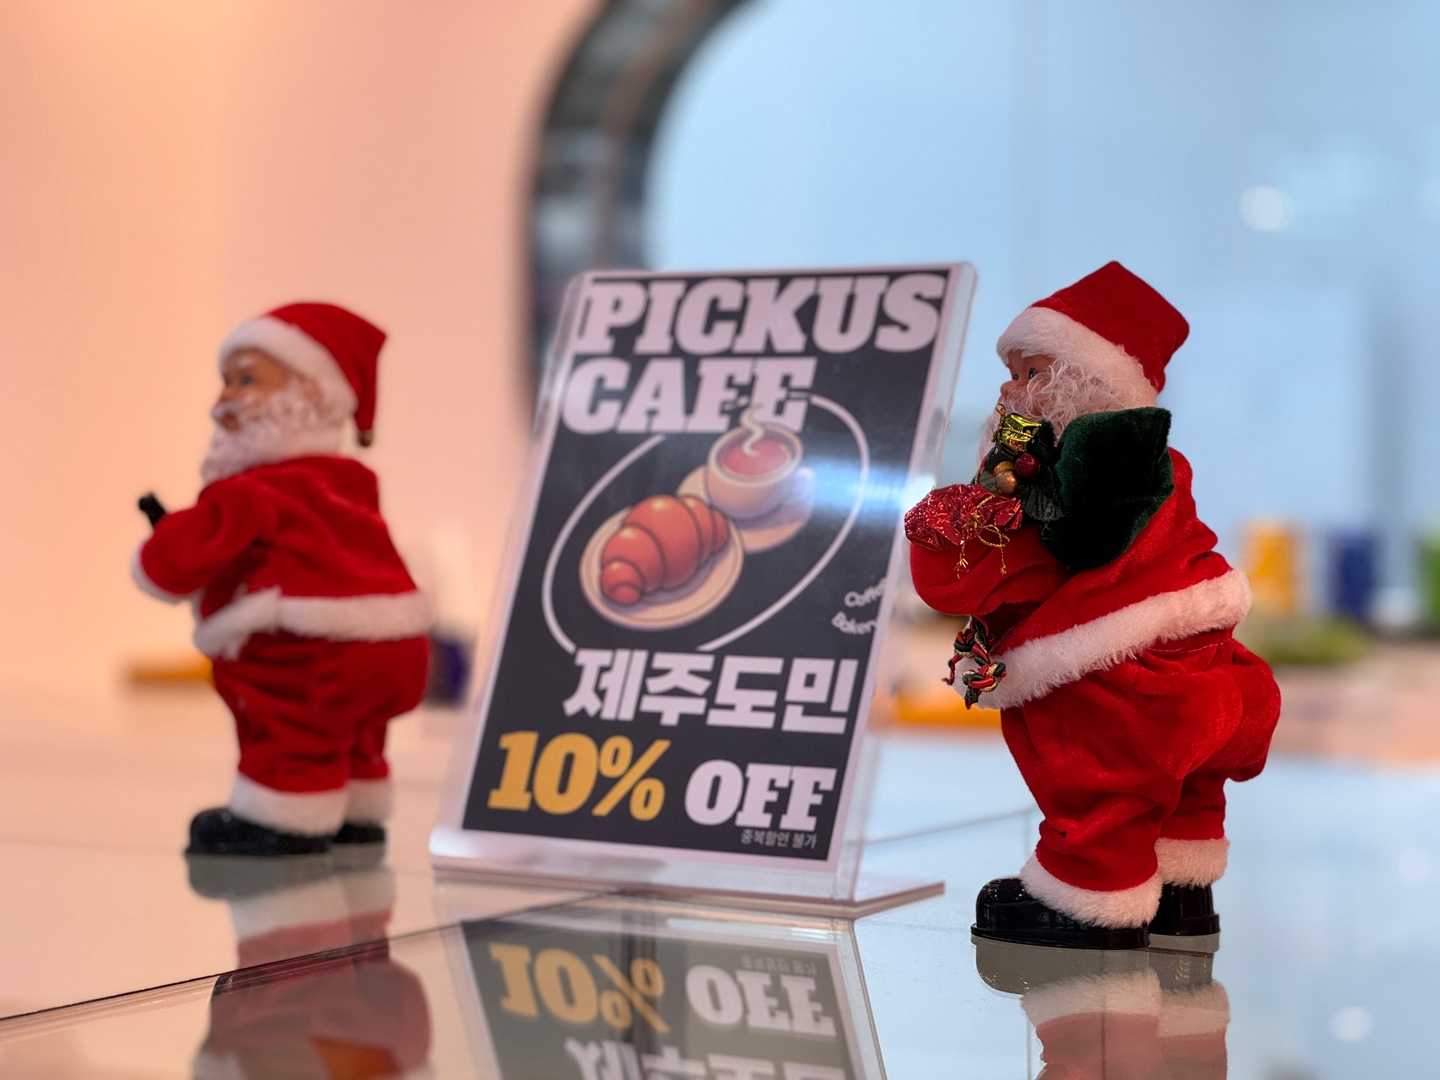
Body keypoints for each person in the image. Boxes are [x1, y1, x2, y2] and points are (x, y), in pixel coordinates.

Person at [906, 262, 1281, 949]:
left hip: (1121, 665)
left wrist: (978, 514)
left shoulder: (1083, 470)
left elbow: (1030, 561)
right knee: (1185, 785)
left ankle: (1092, 892)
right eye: (1010, 372)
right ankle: (1180, 888)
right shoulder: (1156, 465)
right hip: (1199, 657)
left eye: (1031, 372)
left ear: (1090, 382)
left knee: (1094, 763)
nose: (1007, 389)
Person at [133, 302, 432, 856]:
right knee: (357, 733)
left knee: (289, 727)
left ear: (311, 393)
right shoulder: (353, 481)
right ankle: (357, 810)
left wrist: (158, 548)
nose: (223, 400)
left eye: (246, 380)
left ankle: (283, 818)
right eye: (225, 381)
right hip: (397, 648)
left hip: (311, 652)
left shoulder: (251, 490)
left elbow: (178, 561)